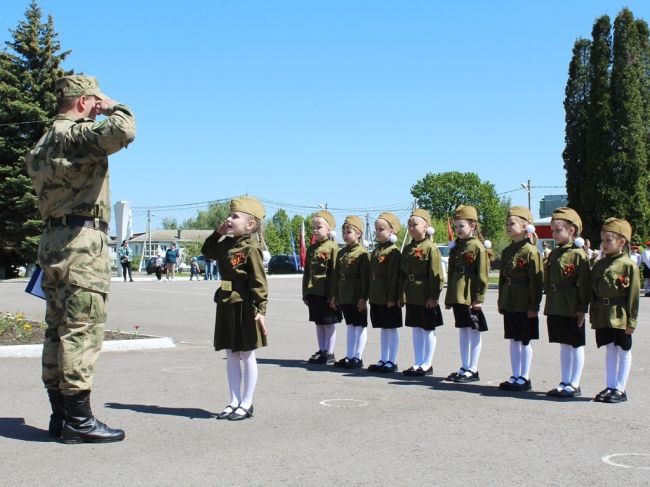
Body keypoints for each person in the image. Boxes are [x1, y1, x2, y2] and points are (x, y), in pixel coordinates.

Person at [25, 74, 136, 443]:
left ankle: (61, 415)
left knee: (57, 327)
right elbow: (124, 130)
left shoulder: (42, 142)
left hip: (52, 238)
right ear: (84, 101)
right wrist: (112, 103)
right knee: (82, 327)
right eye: (92, 101)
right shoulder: (76, 136)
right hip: (81, 241)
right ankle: (78, 419)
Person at [201, 196, 268, 421]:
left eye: (235, 216)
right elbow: (207, 251)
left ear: (250, 224)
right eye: (229, 215)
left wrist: (261, 309)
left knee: (246, 353)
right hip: (225, 302)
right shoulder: (226, 244)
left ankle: (247, 402)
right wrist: (218, 232)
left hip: (244, 305)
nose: (229, 219)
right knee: (231, 353)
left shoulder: (251, 247)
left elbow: (259, 281)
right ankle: (234, 400)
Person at [590, 218, 640, 403]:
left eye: (608, 240)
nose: (604, 244)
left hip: (621, 314)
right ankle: (610, 385)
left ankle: (620, 388)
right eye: (602, 240)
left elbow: (633, 294)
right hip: (604, 313)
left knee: (623, 349)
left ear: (622, 242)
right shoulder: (601, 264)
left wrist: (631, 321)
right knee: (610, 349)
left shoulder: (628, 265)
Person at [543, 208, 591, 398]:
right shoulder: (554, 254)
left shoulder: (578, 254)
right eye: (553, 231)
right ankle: (565, 380)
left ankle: (575, 383)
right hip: (556, 304)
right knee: (563, 343)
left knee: (575, 344)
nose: (554, 234)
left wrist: (582, 308)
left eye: (558, 230)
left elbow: (584, 285)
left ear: (571, 231)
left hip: (572, 304)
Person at [497, 206, 543, 391]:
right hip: (510, 299)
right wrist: (501, 300)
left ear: (526, 226)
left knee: (524, 339)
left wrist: (534, 305)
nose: (508, 226)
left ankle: (525, 376)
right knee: (513, 338)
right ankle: (515, 374)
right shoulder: (508, 251)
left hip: (524, 300)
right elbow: (502, 278)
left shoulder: (530, 251)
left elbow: (536, 281)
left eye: (512, 223)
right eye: (507, 223)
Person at [444, 205, 490, 383]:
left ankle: (473, 368)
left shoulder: (477, 247)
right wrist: (449, 298)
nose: (458, 230)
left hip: (470, 295)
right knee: (463, 329)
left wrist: (478, 298)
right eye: (456, 226)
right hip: (458, 294)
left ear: (472, 226)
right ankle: (464, 366)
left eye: (461, 226)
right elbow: (453, 274)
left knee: (474, 330)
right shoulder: (457, 247)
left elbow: (482, 274)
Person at [399, 208, 444, 376]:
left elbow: (436, 275)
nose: (411, 228)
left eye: (415, 224)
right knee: (416, 329)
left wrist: (434, 296)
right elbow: (402, 275)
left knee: (427, 330)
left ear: (426, 226)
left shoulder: (430, 248)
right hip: (412, 293)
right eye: (409, 225)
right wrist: (402, 295)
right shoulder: (408, 248)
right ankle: (417, 362)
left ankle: (427, 363)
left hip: (425, 294)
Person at [303, 211, 342, 365]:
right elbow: (307, 273)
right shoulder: (312, 249)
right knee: (319, 322)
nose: (315, 230)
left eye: (319, 227)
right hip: (314, 290)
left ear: (329, 229)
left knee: (329, 322)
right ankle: (322, 349)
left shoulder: (332, 247)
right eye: (314, 227)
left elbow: (334, 272)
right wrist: (305, 292)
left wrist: (334, 295)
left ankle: (330, 352)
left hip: (326, 291)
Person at [331, 216, 370, 369]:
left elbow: (365, 278)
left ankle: (358, 357)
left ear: (359, 233)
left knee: (359, 326)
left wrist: (363, 297)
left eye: (349, 232)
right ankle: (349, 355)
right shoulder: (341, 253)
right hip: (345, 294)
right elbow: (336, 277)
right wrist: (335, 296)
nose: (345, 235)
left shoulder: (362, 253)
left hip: (356, 295)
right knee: (350, 326)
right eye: (344, 232)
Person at [367, 212, 402, 373]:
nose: (377, 232)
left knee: (391, 328)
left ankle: (392, 361)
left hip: (388, 296)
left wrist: (392, 297)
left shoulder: (393, 251)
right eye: (376, 229)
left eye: (381, 229)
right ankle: (383, 358)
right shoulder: (377, 250)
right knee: (383, 328)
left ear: (391, 231)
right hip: (377, 295)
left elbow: (394, 276)